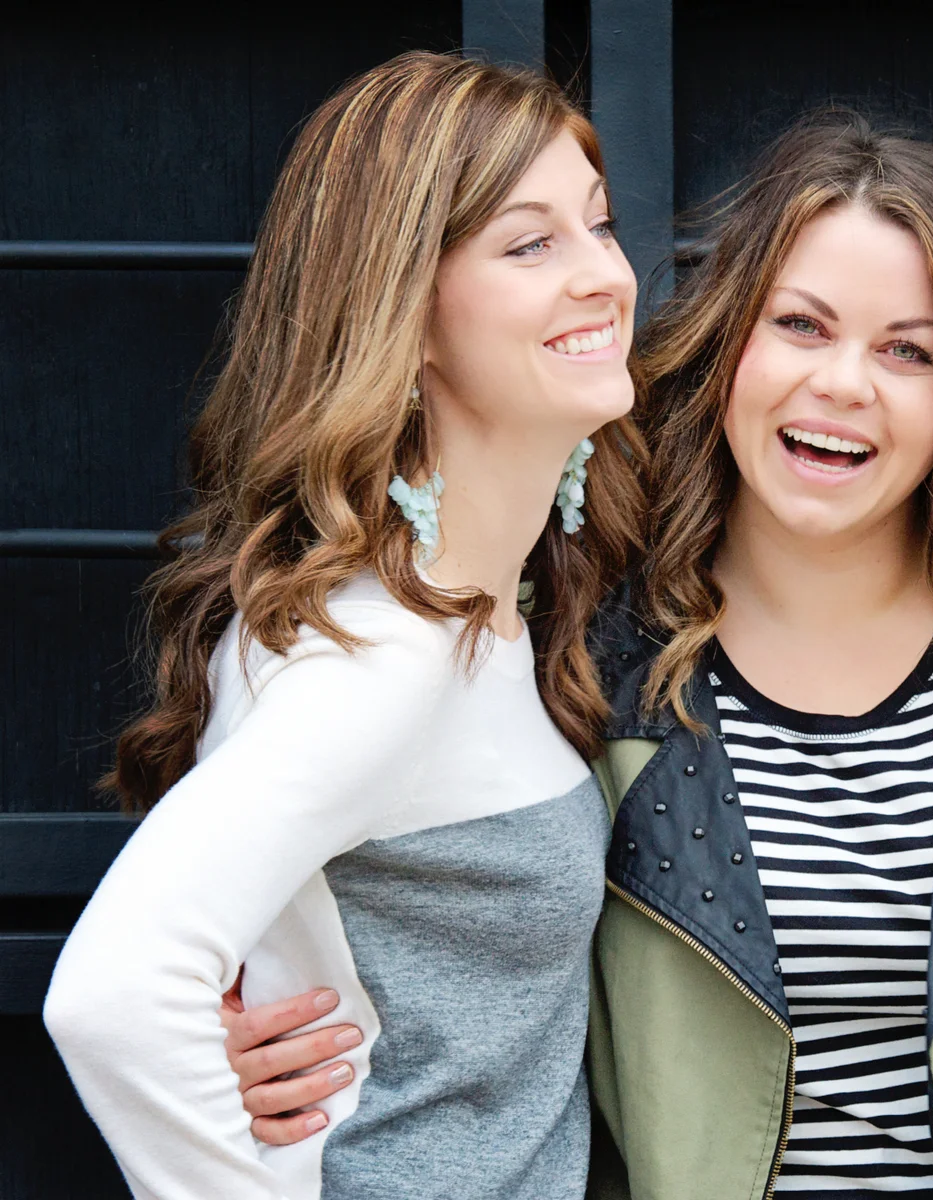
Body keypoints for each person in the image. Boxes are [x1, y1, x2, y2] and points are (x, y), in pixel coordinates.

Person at [222, 114, 933, 1198]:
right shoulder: (580, 620)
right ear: (733, 340)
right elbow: (431, 924)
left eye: (909, 350)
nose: (844, 383)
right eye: (802, 325)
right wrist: (250, 1023)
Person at [43, 51, 643, 1200]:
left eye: (599, 223)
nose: (603, 275)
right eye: (531, 244)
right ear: (403, 314)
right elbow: (114, 997)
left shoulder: (485, 609)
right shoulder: (381, 655)